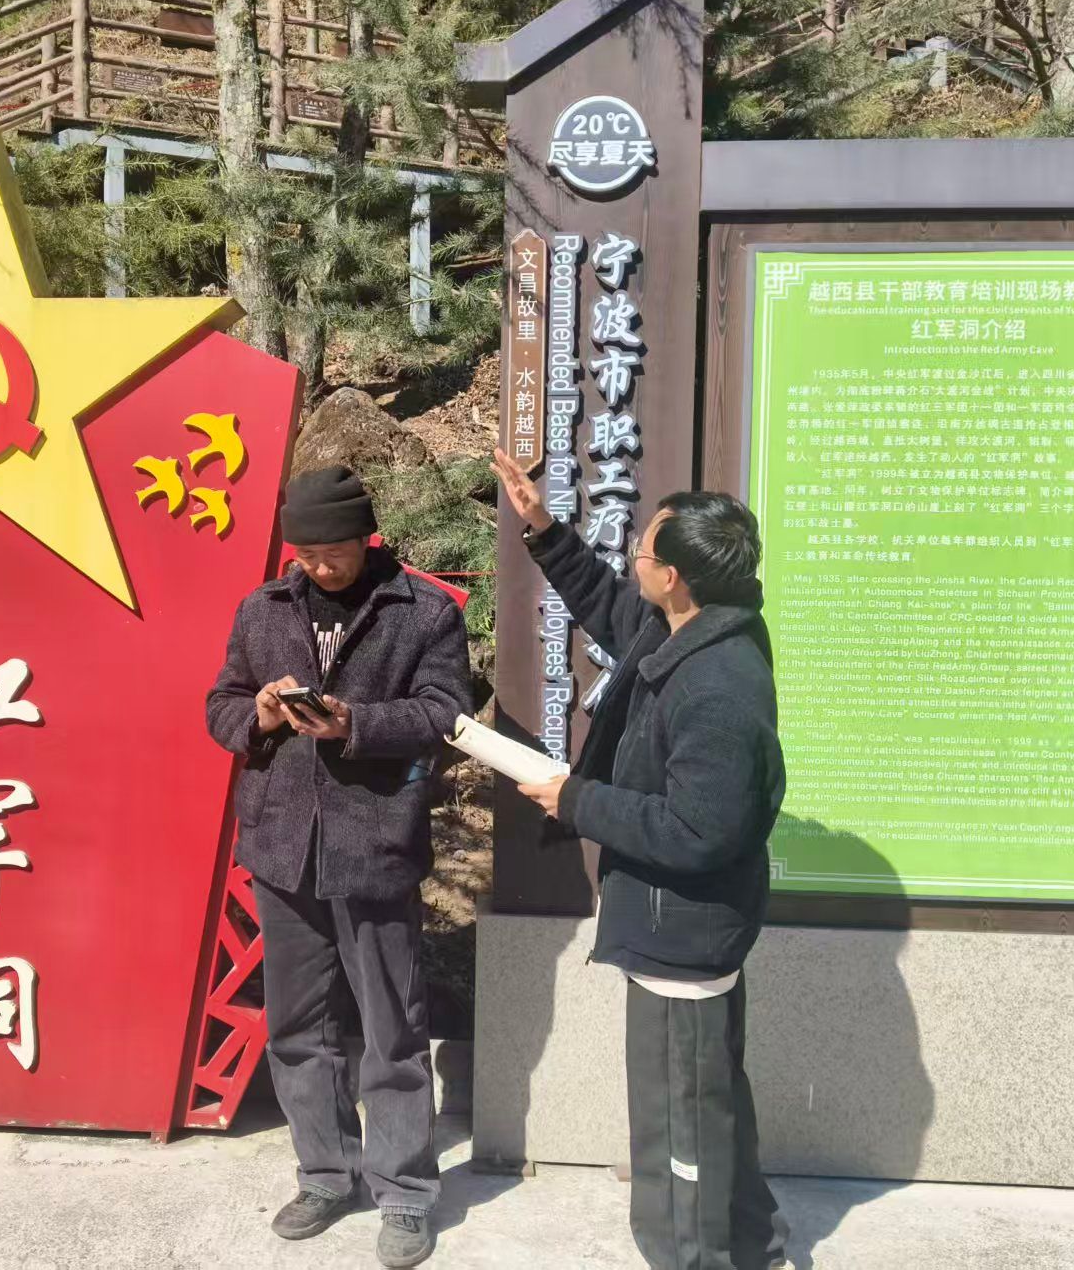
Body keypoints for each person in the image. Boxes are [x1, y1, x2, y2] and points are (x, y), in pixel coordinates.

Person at [492, 448, 792, 1270]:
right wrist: (543, 527)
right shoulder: (689, 627)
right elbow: (608, 608)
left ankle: (691, 1256)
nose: (633, 558)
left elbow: (697, 830)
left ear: (677, 577)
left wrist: (576, 799)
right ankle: (753, 1242)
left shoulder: (717, 684)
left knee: (677, 1126)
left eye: (644, 550)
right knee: (707, 1099)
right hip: (680, 927)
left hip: (683, 938)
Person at [206, 464, 473, 1269]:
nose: (321, 568)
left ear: (367, 536)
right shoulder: (263, 609)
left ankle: (404, 1190)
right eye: (307, 555)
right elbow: (221, 704)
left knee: (393, 1027)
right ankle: (326, 1173)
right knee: (297, 1027)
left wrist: (355, 723)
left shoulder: (420, 610)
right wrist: (258, 713)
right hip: (284, 847)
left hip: (375, 844)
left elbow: (445, 713)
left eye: (336, 553)